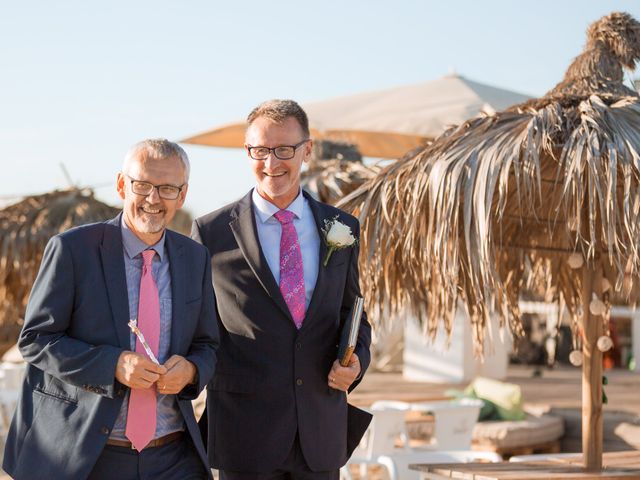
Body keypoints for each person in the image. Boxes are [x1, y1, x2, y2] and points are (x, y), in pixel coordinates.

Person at [3, 139, 219, 480]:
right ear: (122, 185)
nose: (153, 199)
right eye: (143, 185)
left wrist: (192, 371)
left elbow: (208, 345)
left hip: (174, 457)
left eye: (166, 188)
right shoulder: (73, 249)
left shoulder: (195, 258)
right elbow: (35, 340)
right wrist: (112, 365)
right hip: (87, 455)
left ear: (182, 195)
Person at [192, 99, 372, 480]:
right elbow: (198, 329)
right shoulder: (210, 232)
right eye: (260, 150)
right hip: (244, 434)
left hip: (319, 431)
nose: (271, 163)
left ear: (307, 150)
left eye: (284, 150)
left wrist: (357, 364)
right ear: (248, 152)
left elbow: (352, 315)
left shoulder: (342, 228)